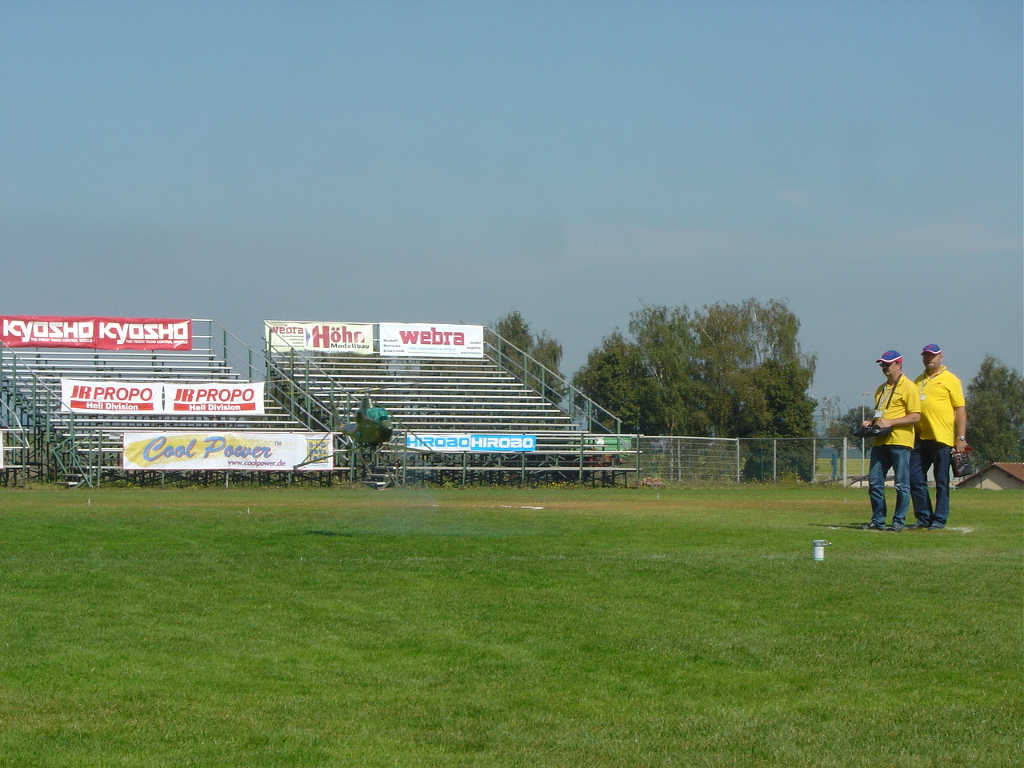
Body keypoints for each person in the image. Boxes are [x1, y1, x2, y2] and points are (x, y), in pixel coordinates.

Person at [909, 344, 967, 530]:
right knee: (915, 478)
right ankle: (924, 517)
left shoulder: (951, 380)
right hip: (920, 438)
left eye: (932, 355)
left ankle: (939, 519)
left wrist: (961, 437)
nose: (929, 359)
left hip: (942, 439)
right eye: (926, 355)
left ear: (941, 357)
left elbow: (960, 409)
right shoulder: (917, 381)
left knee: (941, 481)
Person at [862, 351, 921, 531]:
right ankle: (878, 520)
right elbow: (880, 414)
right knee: (874, 482)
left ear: (898, 364)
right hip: (880, 441)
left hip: (900, 441)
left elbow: (915, 416)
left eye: (887, 364)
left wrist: (891, 422)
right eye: (882, 365)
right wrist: (870, 423)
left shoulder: (909, 387)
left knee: (901, 484)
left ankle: (898, 521)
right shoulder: (881, 389)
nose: (884, 368)